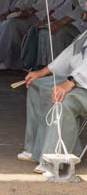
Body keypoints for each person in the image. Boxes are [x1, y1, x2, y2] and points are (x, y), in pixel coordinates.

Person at [20, 25, 87, 177]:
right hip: (80, 81)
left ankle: (53, 160)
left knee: (63, 100)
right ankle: (35, 148)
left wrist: (70, 81)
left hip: (81, 82)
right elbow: (70, 54)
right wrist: (41, 72)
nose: (84, 12)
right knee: (37, 85)